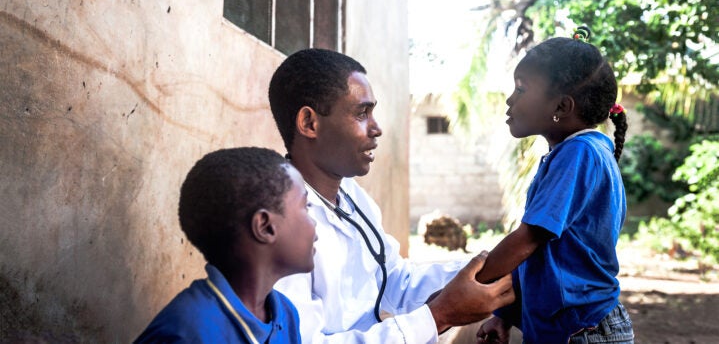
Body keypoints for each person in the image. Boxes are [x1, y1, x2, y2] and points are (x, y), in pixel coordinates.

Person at [268, 48, 514, 343]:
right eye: (362, 113)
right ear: (310, 123)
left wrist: (491, 266)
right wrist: (440, 315)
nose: (377, 128)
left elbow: (395, 280)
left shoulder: (351, 196)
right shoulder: (277, 223)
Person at [475, 27, 634, 344]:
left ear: (562, 107)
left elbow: (527, 240)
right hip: (568, 329)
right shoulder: (573, 154)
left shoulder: (579, 154)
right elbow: (540, 256)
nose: (510, 99)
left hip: (583, 332)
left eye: (521, 89)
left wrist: (470, 282)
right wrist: (504, 316)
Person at [134, 147, 317, 343]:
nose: (314, 222)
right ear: (265, 227)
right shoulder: (186, 332)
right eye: (305, 207)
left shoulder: (285, 314)